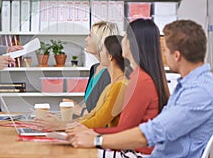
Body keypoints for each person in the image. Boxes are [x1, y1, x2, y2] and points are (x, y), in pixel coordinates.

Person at [69, 20, 213, 158]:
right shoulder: (189, 85)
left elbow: (153, 132)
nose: (163, 55)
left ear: (176, 56)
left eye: (166, 50)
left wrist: (96, 139)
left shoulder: (198, 91)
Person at [67, 19, 169, 156]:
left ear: (133, 43)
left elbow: (124, 130)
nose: (122, 41)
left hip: (136, 153)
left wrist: (91, 134)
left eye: (126, 37)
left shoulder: (141, 81)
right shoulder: (139, 77)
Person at [36, 35, 127, 130]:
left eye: (102, 50)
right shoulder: (112, 86)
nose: (100, 53)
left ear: (110, 57)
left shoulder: (120, 85)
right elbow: (91, 115)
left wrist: (60, 125)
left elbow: (99, 121)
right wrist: (61, 123)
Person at [65, 21, 120, 116]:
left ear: (100, 40)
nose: (86, 39)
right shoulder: (94, 68)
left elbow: (105, 115)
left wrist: (79, 110)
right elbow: (93, 107)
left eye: (90, 36)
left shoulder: (111, 73)